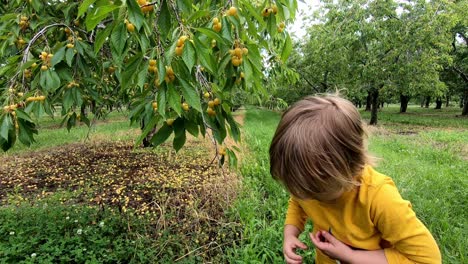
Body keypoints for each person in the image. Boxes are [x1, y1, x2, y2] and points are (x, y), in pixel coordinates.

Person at [269, 95, 441, 264]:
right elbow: (298, 202)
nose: (304, 195)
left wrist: (351, 256)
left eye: (314, 191)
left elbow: (428, 258)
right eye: (299, 189)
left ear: (350, 168)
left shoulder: (379, 197)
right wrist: (290, 234)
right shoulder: (308, 189)